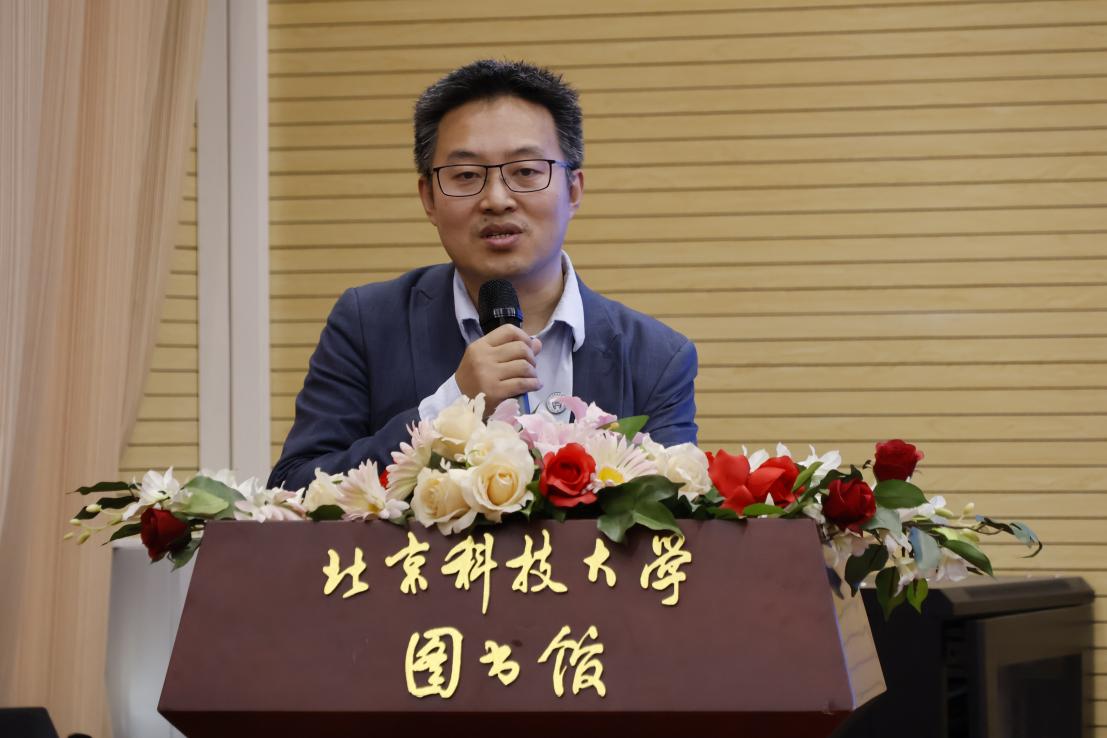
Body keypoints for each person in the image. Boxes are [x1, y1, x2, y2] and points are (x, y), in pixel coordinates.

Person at [268, 60, 697, 491]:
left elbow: (678, 516)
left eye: (526, 171)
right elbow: (294, 487)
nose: (496, 199)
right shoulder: (367, 324)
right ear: (429, 198)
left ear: (573, 190)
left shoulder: (656, 359)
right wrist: (450, 405)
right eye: (467, 175)